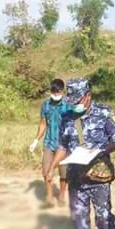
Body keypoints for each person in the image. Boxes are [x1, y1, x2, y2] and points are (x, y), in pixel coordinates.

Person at [46, 78, 115, 229]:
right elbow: (63, 146)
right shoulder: (67, 118)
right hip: (76, 177)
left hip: (98, 176)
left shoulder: (104, 113)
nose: (76, 105)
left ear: (88, 96)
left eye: (79, 101)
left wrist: (100, 151)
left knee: (103, 217)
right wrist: (52, 167)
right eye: (72, 102)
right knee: (79, 216)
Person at [29, 78, 71, 208]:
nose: (55, 95)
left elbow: (76, 124)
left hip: (64, 144)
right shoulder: (46, 105)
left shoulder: (68, 106)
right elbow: (43, 124)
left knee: (64, 173)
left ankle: (62, 195)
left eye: (58, 92)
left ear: (63, 91)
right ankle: (49, 197)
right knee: (46, 171)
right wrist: (36, 140)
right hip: (49, 143)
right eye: (53, 92)